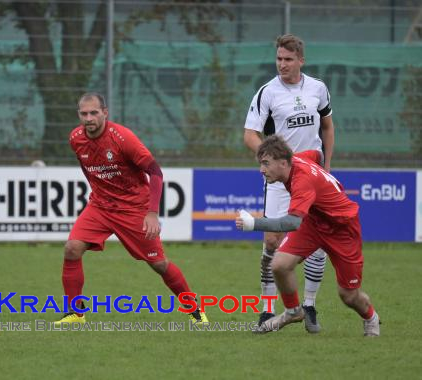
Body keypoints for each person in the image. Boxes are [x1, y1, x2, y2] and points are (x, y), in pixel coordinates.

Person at [55, 92, 207, 325]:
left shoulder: (122, 138)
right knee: (72, 249)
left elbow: (155, 172)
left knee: (159, 264)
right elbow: (88, 167)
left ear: (105, 113)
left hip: (133, 208)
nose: (89, 118)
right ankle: (75, 313)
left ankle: (194, 309)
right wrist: (98, 192)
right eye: (84, 114)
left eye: (94, 113)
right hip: (100, 206)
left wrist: (152, 213)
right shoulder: (75, 138)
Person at [235, 135, 380, 337]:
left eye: (266, 164)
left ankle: (371, 318)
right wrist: (324, 178)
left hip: (342, 230)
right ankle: (294, 311)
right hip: (314, 224)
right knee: (279, 265)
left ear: (283, 163)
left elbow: (292, 223)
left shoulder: (302, 180)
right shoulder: (298, 158)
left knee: (348, 295)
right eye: (261, 164)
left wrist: (253, 223)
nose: (262, 170)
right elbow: (317, 155)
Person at [243, 34, 335, 332]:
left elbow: (328, 126)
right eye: (279, 59)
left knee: (318, 242)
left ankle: (308, 306)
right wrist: (268, 160)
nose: (282, 64)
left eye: (288, 59)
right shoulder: (267, 93)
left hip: (313, 178)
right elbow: (249, 134)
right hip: (281, 180)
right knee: (271, 240)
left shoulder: (318, 89)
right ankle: (267, 309)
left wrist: (328, 167)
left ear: (301, 61)